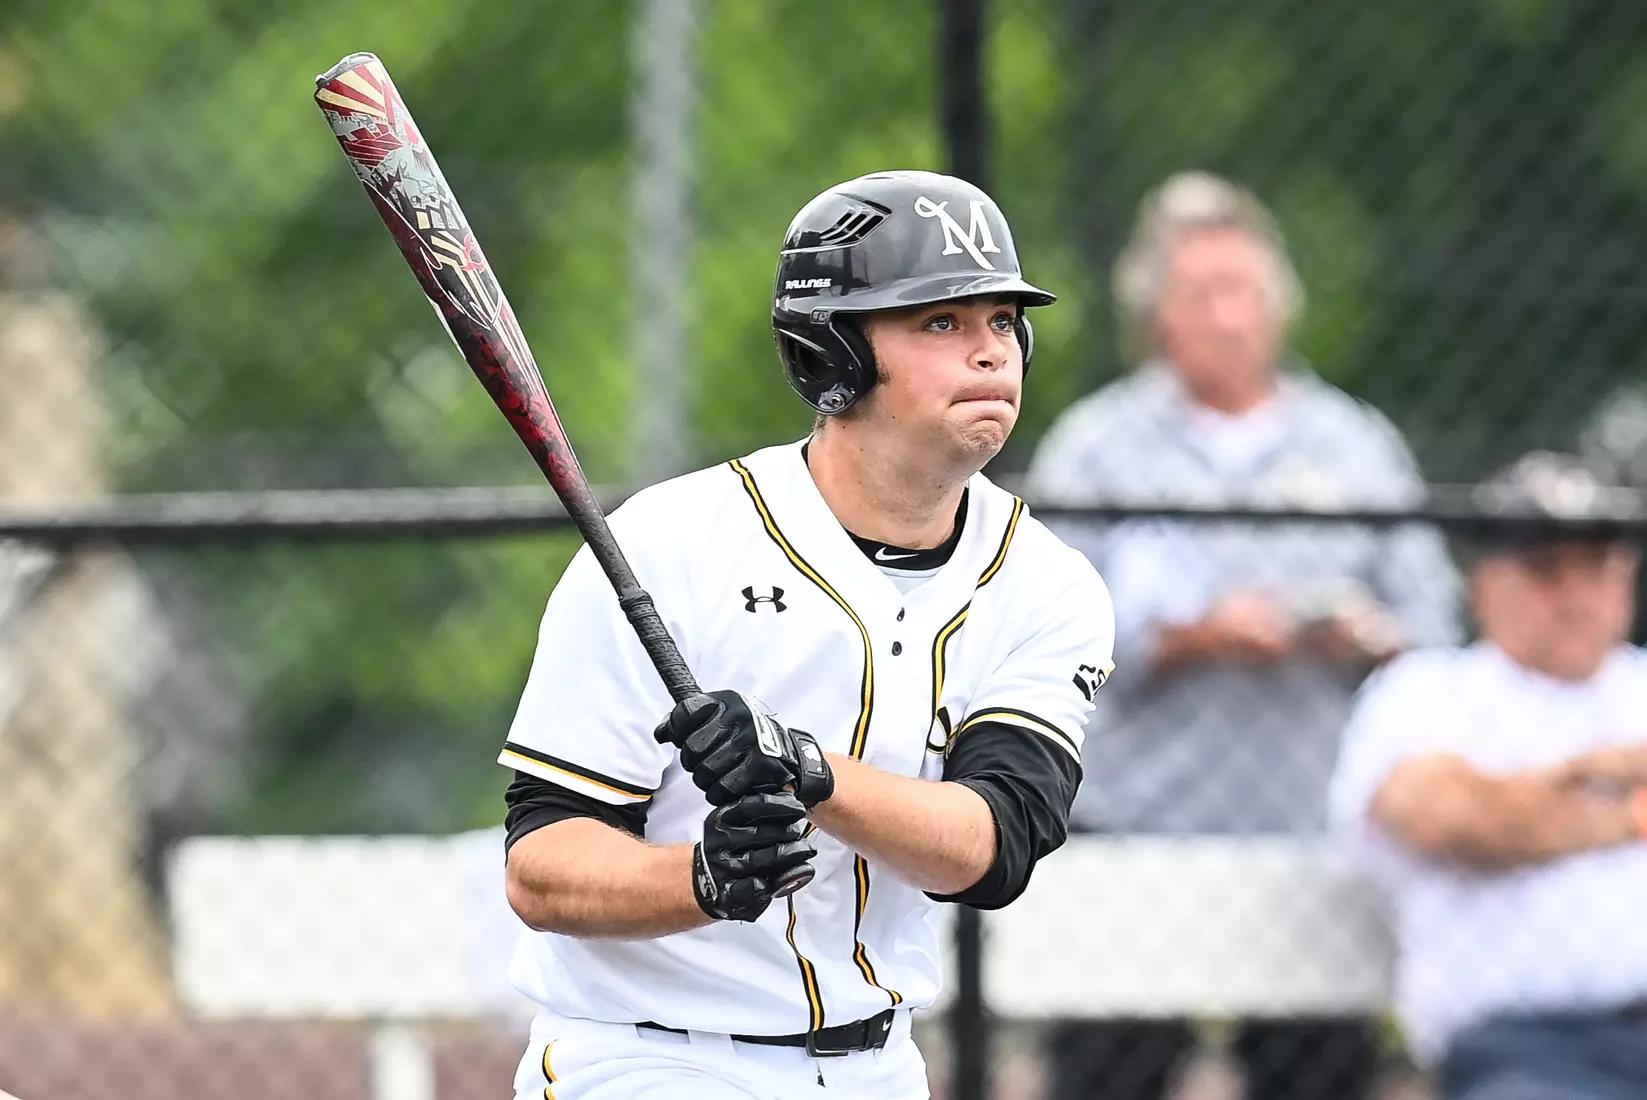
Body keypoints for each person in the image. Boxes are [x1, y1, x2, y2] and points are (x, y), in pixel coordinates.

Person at [499, 170, 1116, 1100]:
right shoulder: (672, 546)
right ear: (831, 355)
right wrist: (699, 880)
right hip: (647, 1058)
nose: (989, 354)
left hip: (880, 1065)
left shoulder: (1046, 583)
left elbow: (993, 844)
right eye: (940, 323)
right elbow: (542, 867)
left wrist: (801, 766)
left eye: (1001, 322)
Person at [1025, 172, 1461, 1100]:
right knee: (1108, 1077)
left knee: (1319, 1079)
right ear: (1156, 317)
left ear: (1281, 307)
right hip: (1134, 832)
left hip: (1309, 829)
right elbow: (1039, 640)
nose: (1228, 318)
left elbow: (1431, 624)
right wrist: (1190, 638)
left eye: (1246, 293)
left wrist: (1363, 638)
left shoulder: (1355, 445)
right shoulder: (1096, 449)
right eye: (1201, 295)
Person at [1330, 451, 1647, 1100]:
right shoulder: (1424, 689)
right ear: (1483, 585)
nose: (1574, 596)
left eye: (1595, 568)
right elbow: (1460, 822)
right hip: (1524, 1050)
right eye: (1543, 571)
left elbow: (1500, 811)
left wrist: (1539, 793)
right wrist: (1626, 799)